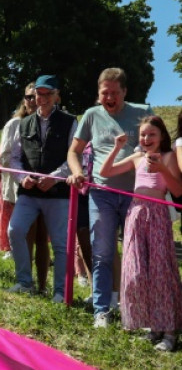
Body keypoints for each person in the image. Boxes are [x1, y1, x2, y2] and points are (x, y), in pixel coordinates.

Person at [66, 68, 154, 327]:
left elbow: (159, 145)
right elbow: (74, 152)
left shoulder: (143, 112)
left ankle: (138, 311)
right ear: (98, 93)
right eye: (105, 93)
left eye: (115, 93)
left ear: (125, 92)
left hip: (135, 194)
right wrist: (77, 172)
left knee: (136, 254)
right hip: (101, 193)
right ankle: (101, 310)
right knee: (102, 253)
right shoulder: (91, 116)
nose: (110, 98)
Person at [99, 116, 182, 351]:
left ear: (162, 136)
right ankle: (152, 326)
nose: (146, 139)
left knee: (160, 272)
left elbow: (177, 191)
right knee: (136, 271)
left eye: (152, 134)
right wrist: (116, 147)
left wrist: (163, 169)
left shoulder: (168, 157)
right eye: (143, 135)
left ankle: (169, 331)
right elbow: (106, 171)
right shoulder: (137, 157)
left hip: (157, 217)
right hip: (135, 215)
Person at [6, 76, 77, 303]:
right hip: (29, 192)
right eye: (39, 94)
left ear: (56, 95)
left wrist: (54, 178)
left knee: (59, 243)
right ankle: (24, 282)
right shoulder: (23, 124)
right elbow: (15, 158)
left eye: (47, 94)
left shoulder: (69, 122)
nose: (42, 98)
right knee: (15, 230)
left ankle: (60, 292)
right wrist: (21, 177)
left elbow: (74, 157)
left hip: (57, 194)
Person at [0, 83, 35, 254]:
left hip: (38, 180)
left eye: (36, 96)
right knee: (16, 219)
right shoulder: (14, 124)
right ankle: (13, 249)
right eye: (29, 97)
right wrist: (19, 172)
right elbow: (4, 154)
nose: (33, 101)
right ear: (24, 100)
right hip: (15, 180)